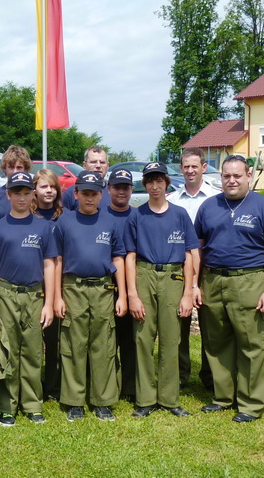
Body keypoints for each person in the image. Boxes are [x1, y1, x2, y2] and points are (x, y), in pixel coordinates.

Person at [195, 155, 264, 422]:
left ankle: (250, 405)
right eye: (226, 176)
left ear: (248, 176)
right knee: (217, 342)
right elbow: (197, 249)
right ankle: (223, 397)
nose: (231, 180)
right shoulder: (208, 206)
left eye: (237, 175)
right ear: (220, 177)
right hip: (213, 281)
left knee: (253, 345)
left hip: (250, 281)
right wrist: (194, 285)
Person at [124, 162, 198, 418]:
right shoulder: (136, 215)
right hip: (144, 274)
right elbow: (129, 256)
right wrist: (132, 294)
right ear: (144, 185)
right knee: (143, 337)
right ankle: (145, 399)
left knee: (171, 339)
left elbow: (190, 255)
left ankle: (169, 398)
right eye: (150, 181)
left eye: (159, 181)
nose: (155, 186)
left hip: (172, 277)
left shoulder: (179, 214)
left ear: (167, 183)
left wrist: (188, 292)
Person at [0, 172, 57, 426]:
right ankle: (7, 406)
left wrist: (49, 302)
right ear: (8, 195)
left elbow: (49, 265)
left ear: (33, 194)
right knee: (8, 350)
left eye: (27, 192)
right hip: (5, 295)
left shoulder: (43, 227)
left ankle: (32, 404)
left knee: (33, 351)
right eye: (17, 193)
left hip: (34, 295)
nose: (22, 197)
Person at [54, 171, 127, 422]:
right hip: (72, 288)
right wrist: (57, 297)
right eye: (84, 193)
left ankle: (102, 400)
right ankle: (75, 401)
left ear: (101, 195)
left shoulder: (110, 222)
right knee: (74, 344)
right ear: (75, 194)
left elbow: (118, 258)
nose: (89, 197)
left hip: (103, 290)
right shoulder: (65, 221)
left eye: (94, 193)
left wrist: (123, 295)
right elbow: (57, 260)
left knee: (103, 345)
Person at [167, 147, 220, 390]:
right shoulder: (172, 200)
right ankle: (179, 376)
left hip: (211, 270)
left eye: (194, 166)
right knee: (179, 326)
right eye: (186, 166)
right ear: (181, 168)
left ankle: (211, 377)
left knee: (211, 328)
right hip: (179, 271)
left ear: (203, 167)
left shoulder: (216, 198)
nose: (190, 170)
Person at [31, 169, 63, 400]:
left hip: (59, 281)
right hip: (33, 282)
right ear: (35, 190)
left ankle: (52, 384)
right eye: (44, 186)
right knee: (32, 339)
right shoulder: (28, 216)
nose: (49, 190)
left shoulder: (64, 216)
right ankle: (32, 384)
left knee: (55, 339)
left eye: (52, 186)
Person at [106, 168, 137, 400]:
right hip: (105, 282)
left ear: (131, 190)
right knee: (106, 339)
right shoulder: (99, 214)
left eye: (125, 187)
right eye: (117, 187)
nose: (121, 191)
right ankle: (106, 383)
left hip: (132, 283)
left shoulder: (138, 216)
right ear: (108, 190)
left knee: (130, 338)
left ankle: (128, 386)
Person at [0, 145, 32, 213]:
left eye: (19, 167)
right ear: (4, 168)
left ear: (26, 169)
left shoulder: (33, 197)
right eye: (11, 167)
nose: (15, 171)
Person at [62, 146, 111, 211]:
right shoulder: (71, 193)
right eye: (93, 162)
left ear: (107, 166)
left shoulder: (113, 193)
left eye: (102, 162)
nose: (98, 166)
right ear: (84, 165)